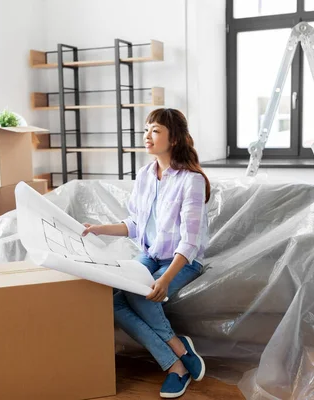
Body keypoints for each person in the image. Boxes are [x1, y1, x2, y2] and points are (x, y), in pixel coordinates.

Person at [82, 108, 210, 398]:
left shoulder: (192, 180)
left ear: (173, 138)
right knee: (114, 301)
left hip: (182, 261)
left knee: (143, 294)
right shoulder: (144, 174)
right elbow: (136, 224)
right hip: (150, 255)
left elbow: (190, 242)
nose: (147, 136)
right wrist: (99, 229)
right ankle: (178, 351)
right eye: (146, 129)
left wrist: (164, 280)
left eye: (155, 130)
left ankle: (175, 369)